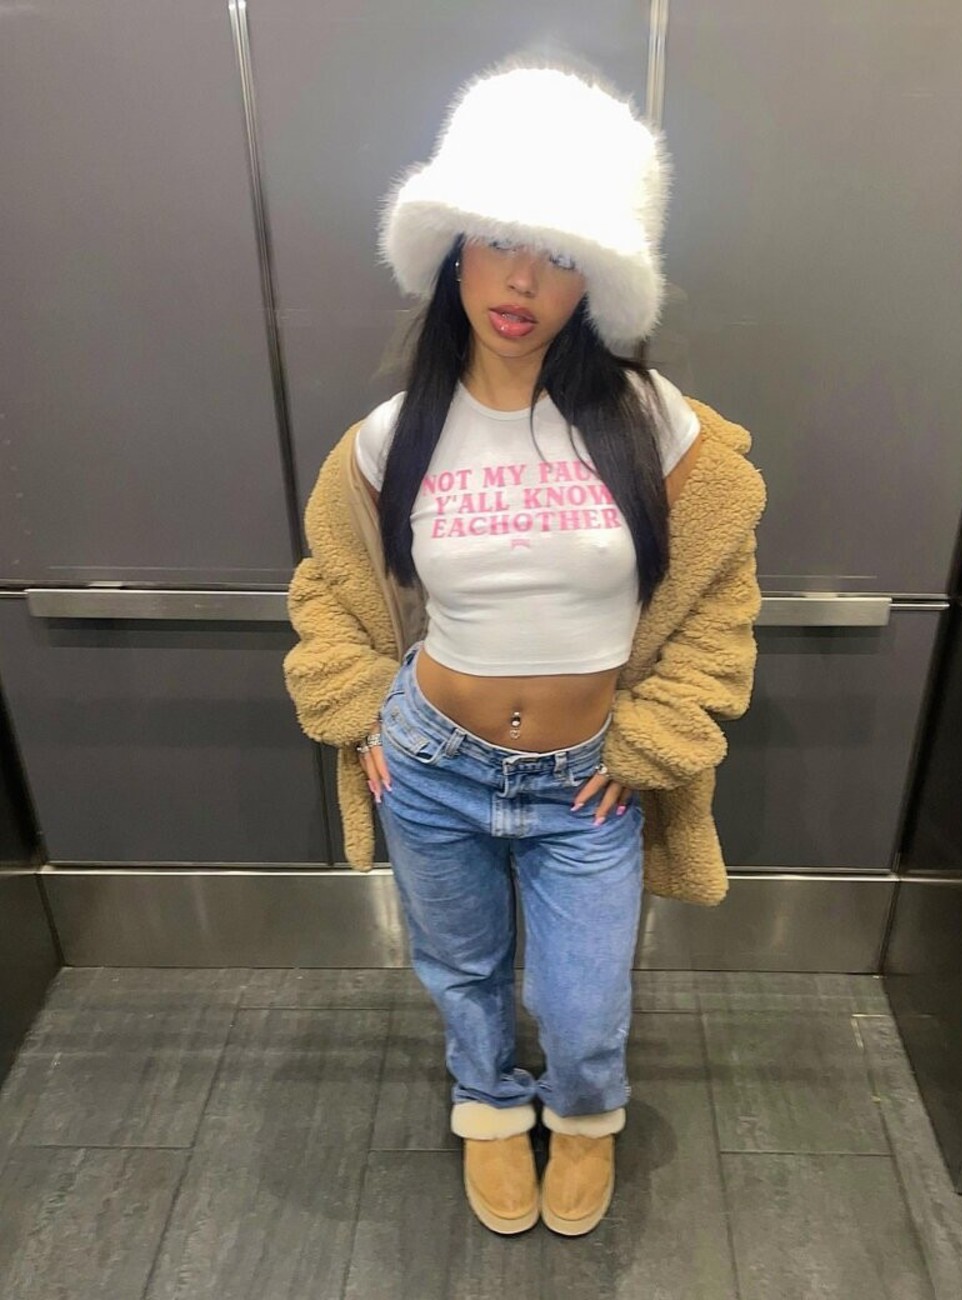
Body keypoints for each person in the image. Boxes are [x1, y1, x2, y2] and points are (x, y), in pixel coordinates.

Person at [283, 59, 767, 1238]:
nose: (521, 279)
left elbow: (720, 605)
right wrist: (361, 705)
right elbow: (329, 592)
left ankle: (585, 1112)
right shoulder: (390, 438)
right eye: (498, 239)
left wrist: (651, 736)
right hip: (431, 766)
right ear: (452, 246)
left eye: (558, 251)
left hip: (586, 779)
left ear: (596, 273)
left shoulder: (658, 427)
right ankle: (490, 1103)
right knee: (461, 970)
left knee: (585, 1002)